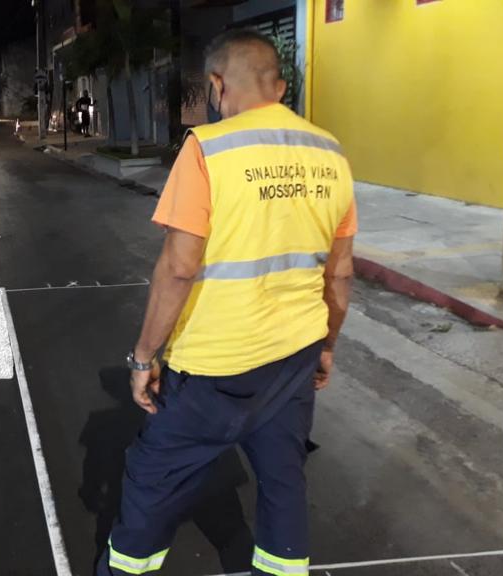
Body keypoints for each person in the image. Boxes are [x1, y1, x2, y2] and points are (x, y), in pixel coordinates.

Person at [100, 28, 357, 575]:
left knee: (154, 477)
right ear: (281, 87)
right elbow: (341, 274)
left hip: (215, 364)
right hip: (294, 355)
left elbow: (177, 267)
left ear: (217, 85)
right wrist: (328, 347)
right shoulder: (330, 152)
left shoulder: (209, 150)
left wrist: (144, 358)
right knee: (283, 478)